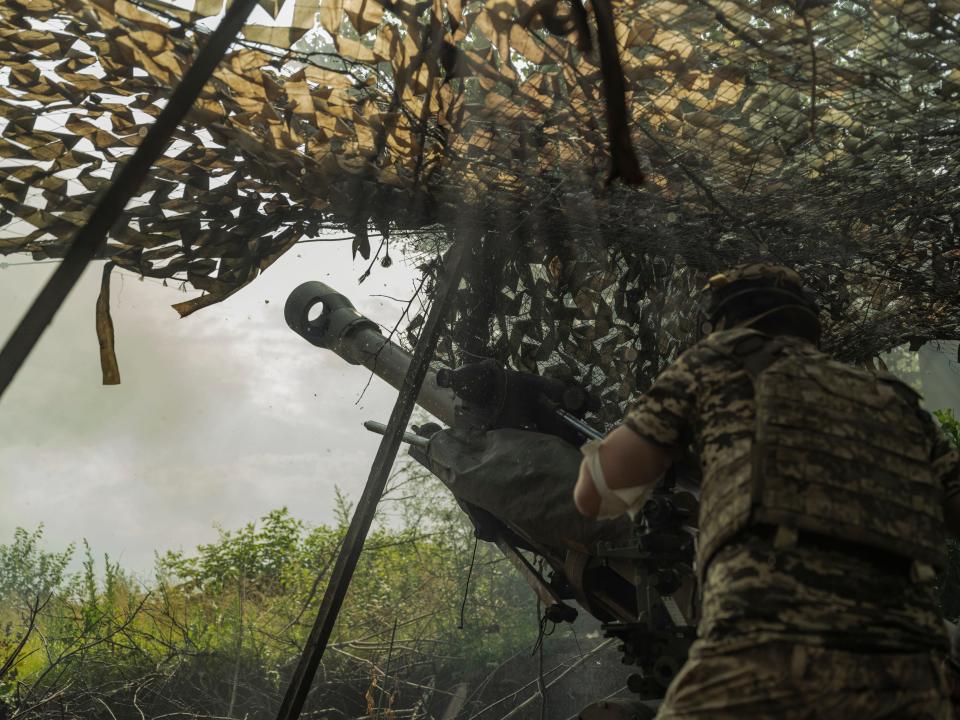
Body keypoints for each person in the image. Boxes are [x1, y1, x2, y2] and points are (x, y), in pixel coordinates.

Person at [573, 262, 960, 719]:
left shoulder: (715, 361)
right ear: (808, 323)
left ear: (724, 324)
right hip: (914, 675)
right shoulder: (895, 400)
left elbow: (597, 495)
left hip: (765, 655)